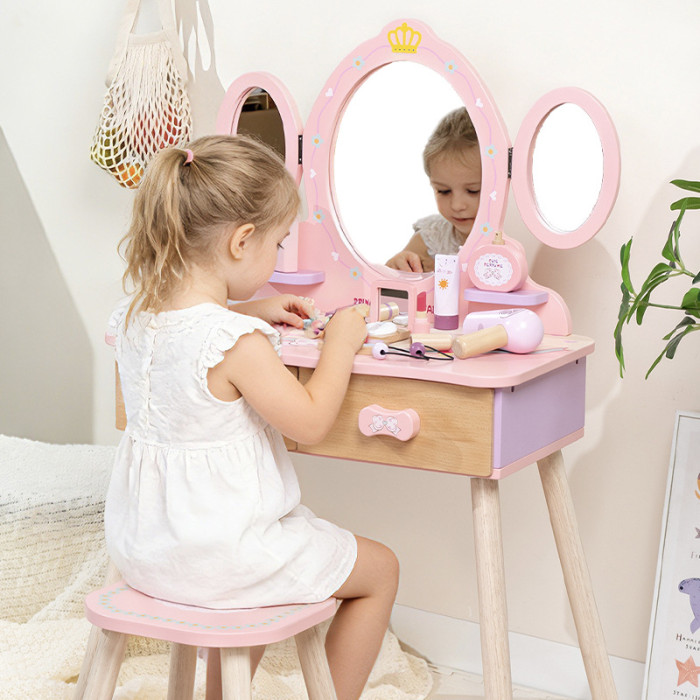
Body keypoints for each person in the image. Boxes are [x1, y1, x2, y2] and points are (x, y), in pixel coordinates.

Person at [104, 134, 399, 700]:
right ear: (242, 241)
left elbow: (193, 322)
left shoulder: (133, 317)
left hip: (146, 553)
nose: (278, 256)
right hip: (220, 562)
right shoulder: (238, 343)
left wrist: (247, 308)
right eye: (278, 243)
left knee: (250, 563)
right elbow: (310, 424)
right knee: (381, 569)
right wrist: (340, 344)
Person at [385, 107, 482, 273]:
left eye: (473, 191)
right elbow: (393, 281)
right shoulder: (430, 238)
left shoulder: (515, 236)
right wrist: (397, 266)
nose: (457, 205)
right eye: (443, 191)